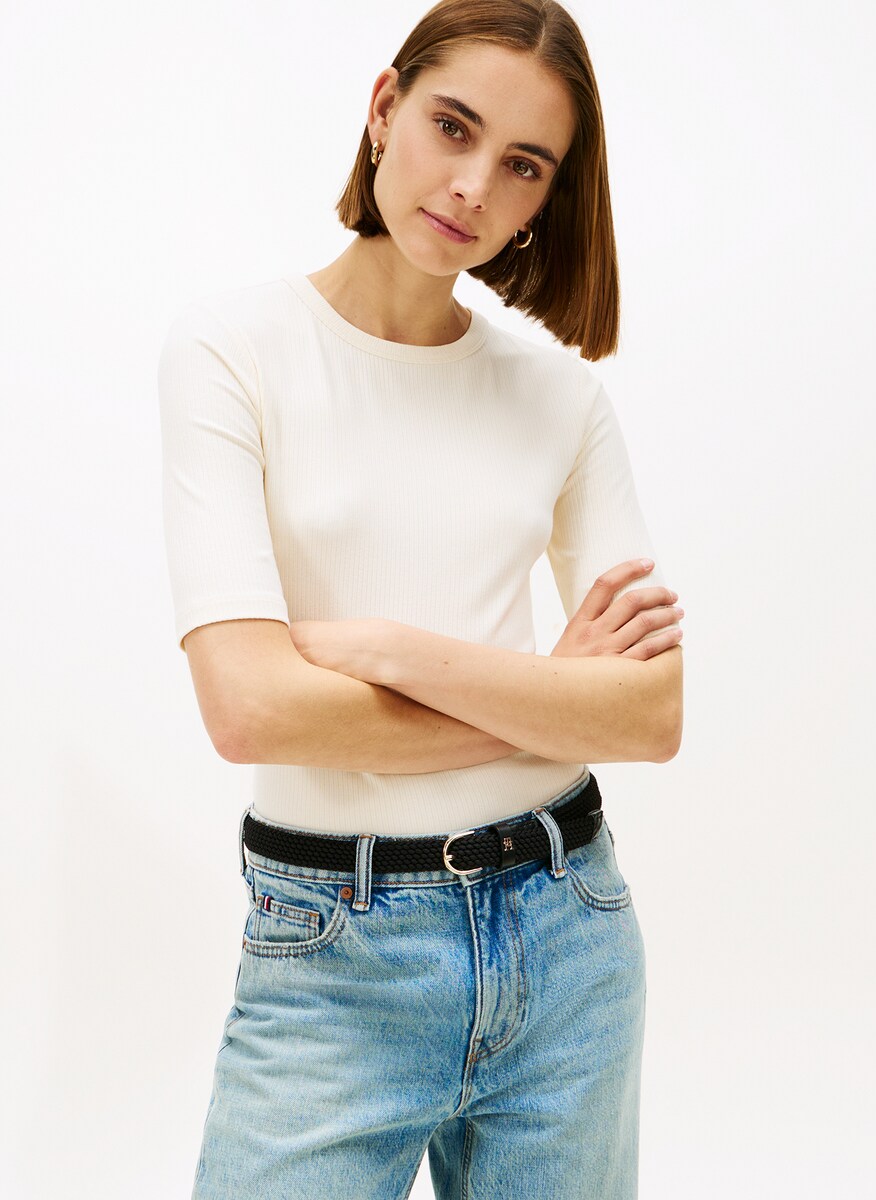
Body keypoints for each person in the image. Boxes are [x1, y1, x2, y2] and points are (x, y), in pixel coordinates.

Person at [157, 1, 684, 1196]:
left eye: (524, 165)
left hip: (569, 933)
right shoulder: (231, 352)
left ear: (546, 198)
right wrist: (554, 696)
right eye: (454, 126)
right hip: (333, 950)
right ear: (385, 107)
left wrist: (393, 651)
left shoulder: (560, 400)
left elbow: (650, 715)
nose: (473, 187)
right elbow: (252, 711)